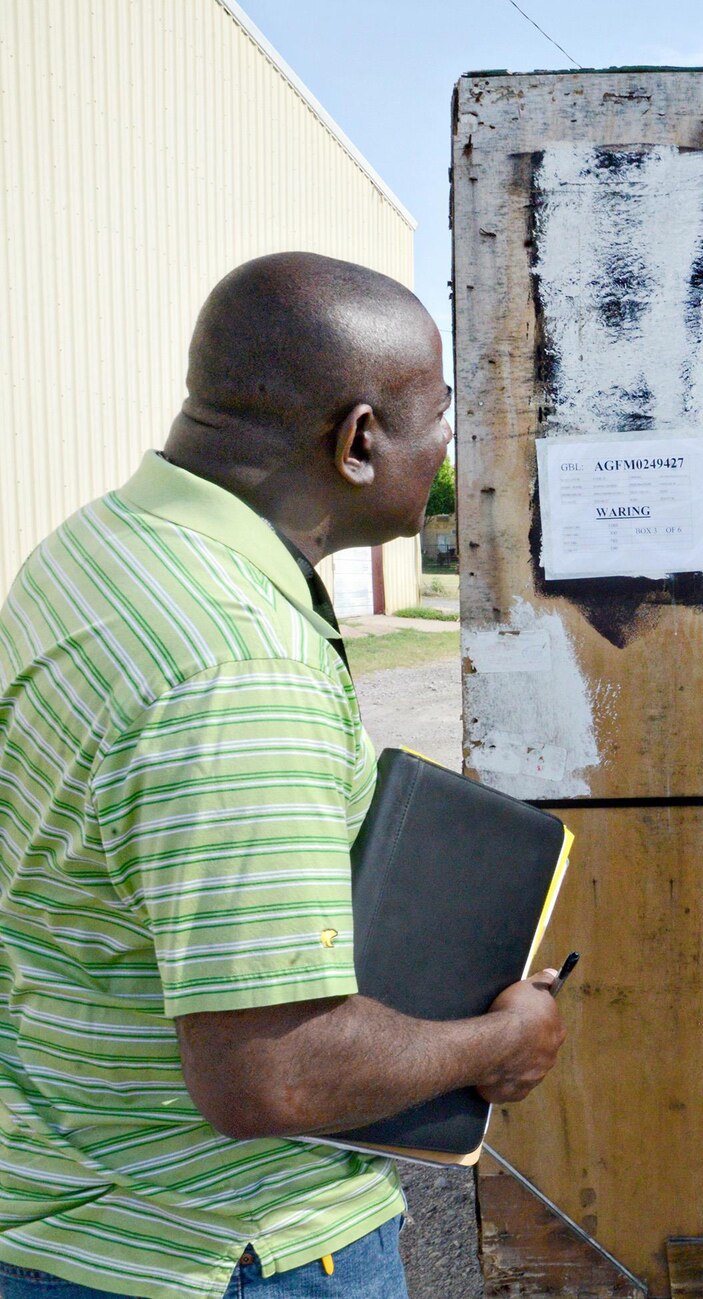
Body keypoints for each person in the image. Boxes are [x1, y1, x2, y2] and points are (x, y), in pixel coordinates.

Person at [0, 254, 566, 1299]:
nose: (451, 443)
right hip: (223, 1253)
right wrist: (498, 1039)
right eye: (437, 417)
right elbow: (275, 1072)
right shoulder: (235, 663)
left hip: (66, 1206)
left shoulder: (101, 548)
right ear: (357, 441)